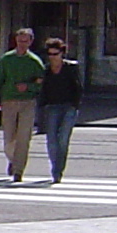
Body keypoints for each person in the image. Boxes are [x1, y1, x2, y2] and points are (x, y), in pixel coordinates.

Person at [0, 27, 45, 183]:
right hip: (8, 102)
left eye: (25, 41)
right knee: (9, 137)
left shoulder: (35, 61)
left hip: (28, 102)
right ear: (15, 41)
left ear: (31, 42)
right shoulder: (7, 59)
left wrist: (28, 87)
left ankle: (18, 171)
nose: (22, 44)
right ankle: (12, 160)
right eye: (20, 41)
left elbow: (42, 82)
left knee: (24, 137)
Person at [38, 37, 83, 183]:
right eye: (50, 54)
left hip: (68, 106)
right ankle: (55, 169)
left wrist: (75, 105)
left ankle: (58, 171)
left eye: (55, 54)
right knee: (51, 139)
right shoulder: (45, 70)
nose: (53, 57)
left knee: (63, 139)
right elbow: (42, 89)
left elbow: (78, 87)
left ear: (62, 53)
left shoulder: (70, 67)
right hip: (52, 107)